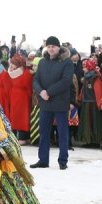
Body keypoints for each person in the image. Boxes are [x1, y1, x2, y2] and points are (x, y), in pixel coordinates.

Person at [30, 36, 75, 169]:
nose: (51, 49)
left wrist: (48, 92)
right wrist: (41, 92)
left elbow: (66, 81)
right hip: (45, 103)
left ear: (58, 47)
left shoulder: (66, 62)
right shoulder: (43, 62)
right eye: (49, 46)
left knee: (62, 132)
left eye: (53, 46)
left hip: (60, 102)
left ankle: (63, 161)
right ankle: (43, 160)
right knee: (43, 132)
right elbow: (36, 80)